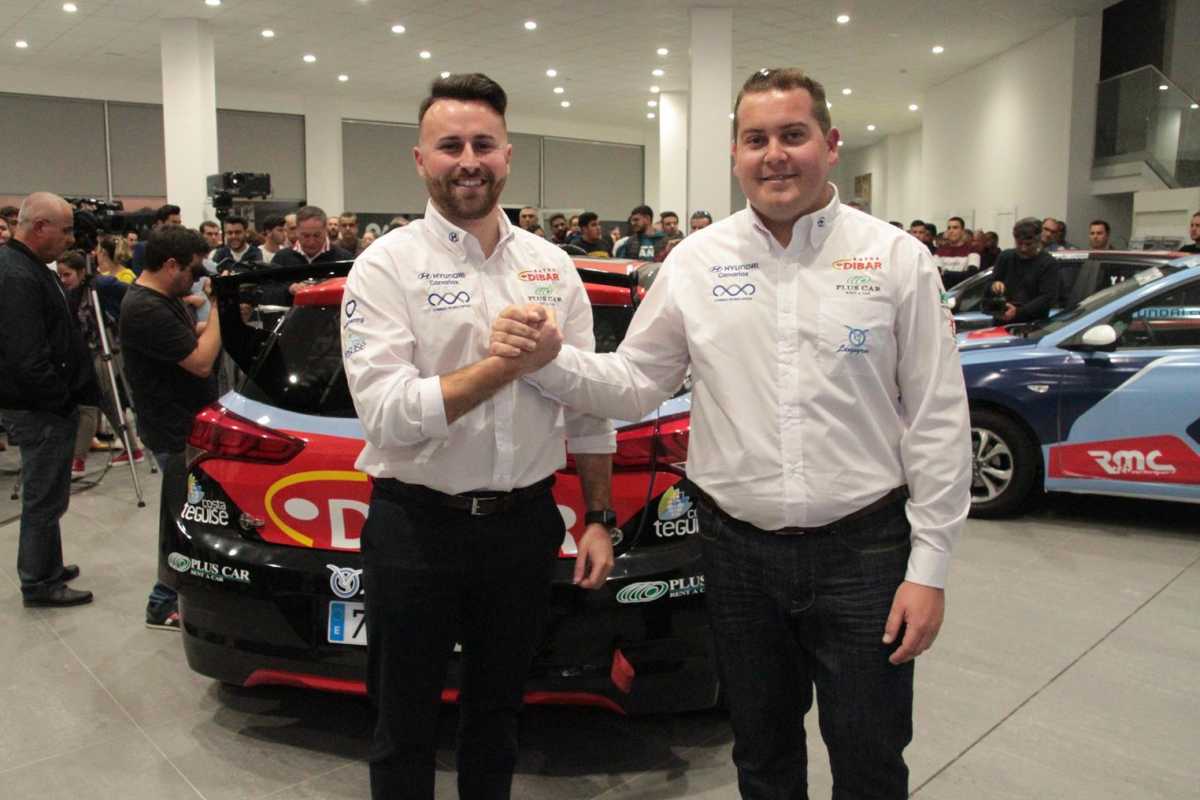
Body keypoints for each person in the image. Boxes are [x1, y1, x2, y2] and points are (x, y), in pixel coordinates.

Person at [491, 67, 971, 800]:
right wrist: (550, 362)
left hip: (865, 554)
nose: (774, 155)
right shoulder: (695, 261)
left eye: (793, 135)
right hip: (737, 554)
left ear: (830, 144)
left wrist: (929, 568)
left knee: (871, 758)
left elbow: (938, 416)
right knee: (762, 755)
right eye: (756, 139)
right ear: (735, 154)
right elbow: (635, 383)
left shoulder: (896, 259)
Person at [340, 72, 615, 800]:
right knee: (402, 721)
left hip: (523, 527)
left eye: (484, 145)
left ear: (508, 156)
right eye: (450, 145)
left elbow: (589, 404)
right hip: (416, 528)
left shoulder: (552, 268)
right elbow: (387, 415)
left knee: (499, 716)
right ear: (420, 159)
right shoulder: (384, 267)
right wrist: (502, 366)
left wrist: (599, 515)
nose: (469, 160)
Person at [0, 192, 99, 607]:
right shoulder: (17, 275)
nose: (71, 239)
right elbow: (26, 356)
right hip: (38, 408)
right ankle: (39, 582)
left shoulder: (28, 267)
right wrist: (60, 400)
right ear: (40, 227)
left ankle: (47, 566)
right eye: (66, 230)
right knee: (43, 498)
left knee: (50, 495)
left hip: (41, 404)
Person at [119, 225, 220, 630]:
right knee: (183, 518)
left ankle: (174, 595)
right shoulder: (145, 308)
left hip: (180, 426)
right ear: (172, 265)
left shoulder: (161, 301)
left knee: (191, 514)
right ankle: (161, 604)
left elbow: (184, 338)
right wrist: (219, 310)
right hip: (172, 430)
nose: (195, 279)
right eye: (193, 270)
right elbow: (200, 362)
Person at [55, 251, 141, 477]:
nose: (64, 280)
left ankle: (78, 460)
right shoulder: (70, 293)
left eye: (67, 275)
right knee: (106, 402)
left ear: (81, 272)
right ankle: (132, 449)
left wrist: (123, 321)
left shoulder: (100, 285)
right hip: (85, 354)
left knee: (91, 402)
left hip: (106, 350)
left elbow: (133, 293)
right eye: (60, 275)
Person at [989, 217, 1060, 323]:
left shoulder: (1048, 263)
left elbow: (1048, 297)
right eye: (1019, 243)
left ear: (1038, 240)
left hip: (1033, 324)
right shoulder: (1005, 257)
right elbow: (991, 285)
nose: (1023, 248)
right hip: (1002, 321)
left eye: (1028, 244)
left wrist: (1018, 312)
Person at [131, 204, 181, 273]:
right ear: (160, 223)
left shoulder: (180, 248)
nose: (178, 227)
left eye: (179, 223)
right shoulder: (143, 248)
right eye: (174, 222)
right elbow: (138, 275)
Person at [934, 215, 981, 289]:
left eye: (955, 228)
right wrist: (959, 275)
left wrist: (946, 274)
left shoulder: (972, 250)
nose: (951, 231)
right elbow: (936, 275)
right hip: (944, 292)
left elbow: (971, 275)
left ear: (962, 231)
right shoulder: (940, 251)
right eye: (949, 228)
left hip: (964, 291)